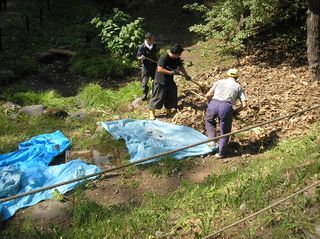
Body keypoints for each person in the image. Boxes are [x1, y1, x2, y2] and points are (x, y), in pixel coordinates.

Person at [205, 68, 247, 158]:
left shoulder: (219, 82)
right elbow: (244, 105)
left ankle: (212, 140)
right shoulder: (238, 87)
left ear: (227, 75)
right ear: (237, 78)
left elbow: (208, 95)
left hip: (214, 103)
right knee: (225, 131)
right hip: (226, 107)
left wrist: (210, 104)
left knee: (209, 121)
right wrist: (235, 112)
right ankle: (221, 153)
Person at [149, 44, 191, 120]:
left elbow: (181, 66)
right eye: (179, 54)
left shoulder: (176, 58)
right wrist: (171, 72)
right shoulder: (164, 57)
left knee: (171, 94)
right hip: (160, 81)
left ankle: (169, 110)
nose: (179, 55)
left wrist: (186, 75)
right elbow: (159, 69)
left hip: (169, 80)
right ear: (175, 53)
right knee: (158, 97)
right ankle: (152, 112)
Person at [136, 32, 158, 101]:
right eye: (151, 40)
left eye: (153, 39)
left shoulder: (154, 46)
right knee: (144, 82)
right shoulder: (142, 47)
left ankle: (155, 93)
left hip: (154, 66)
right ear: (147, 40)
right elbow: (137, 56)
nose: (152, 41)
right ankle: (145, 94)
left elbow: (156, 55)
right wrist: (141, 58)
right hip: (145, 66)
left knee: (155, 80)